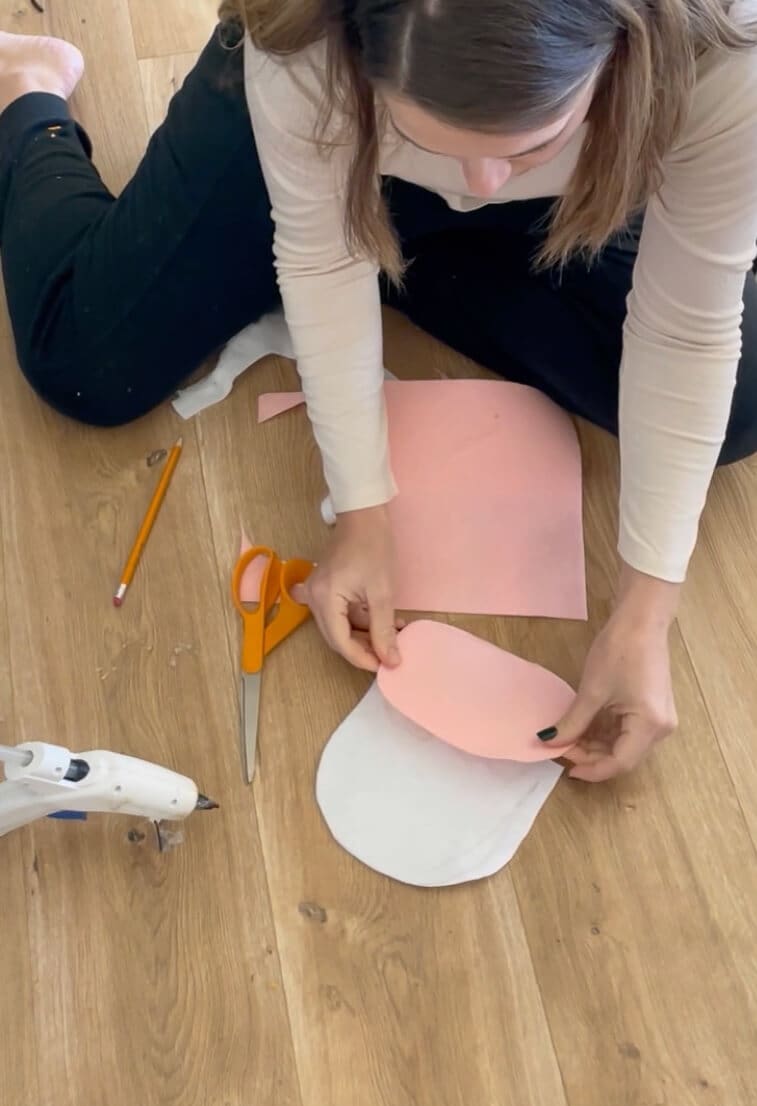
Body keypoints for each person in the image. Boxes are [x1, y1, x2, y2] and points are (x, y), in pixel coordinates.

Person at [0, 1, 756, 783]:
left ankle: (403, 241)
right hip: (329, 120)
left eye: (530, 142)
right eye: (432, 136)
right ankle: (26, 90)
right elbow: (324, 260)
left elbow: (687, 332)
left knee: (740, 403)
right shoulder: (303, 35)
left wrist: (643, 616)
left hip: (542, 167)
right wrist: (360, 512)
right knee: (85, 363)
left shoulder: (724, 51)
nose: (479, 185)